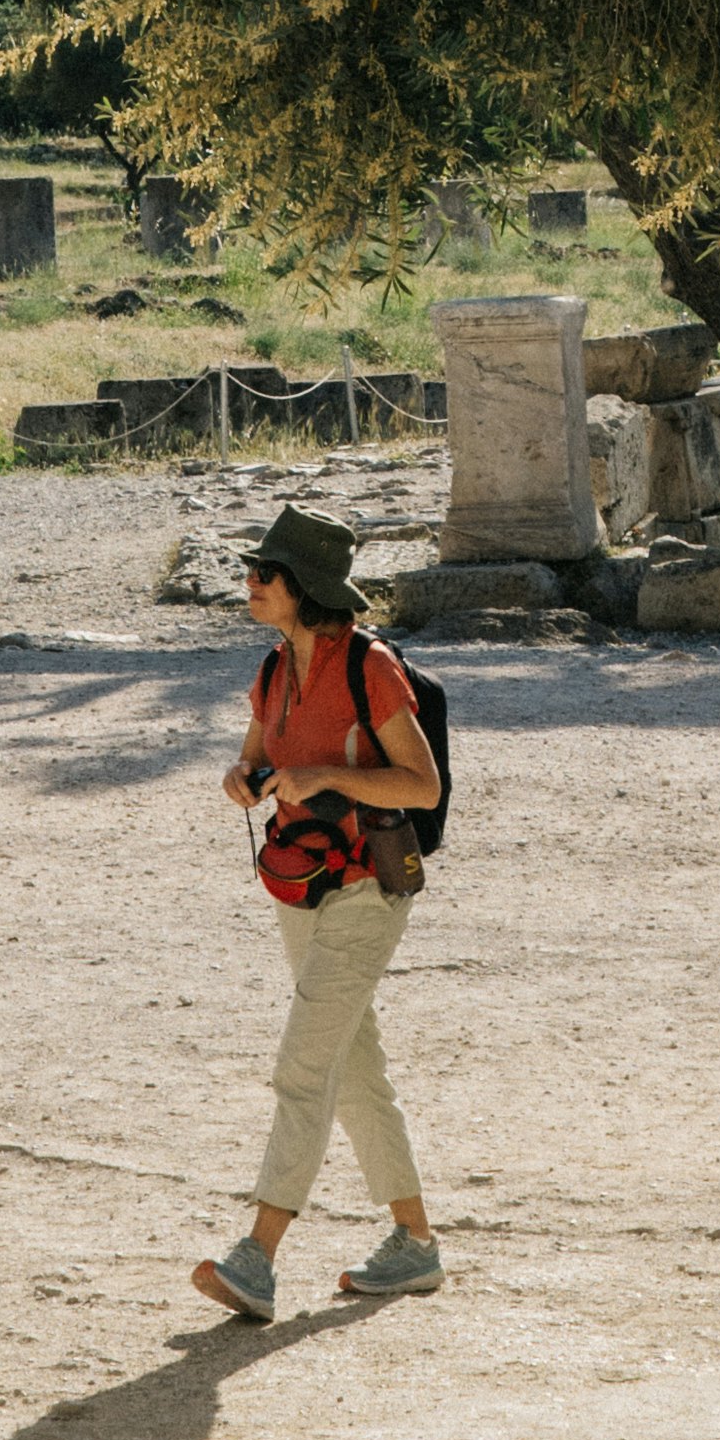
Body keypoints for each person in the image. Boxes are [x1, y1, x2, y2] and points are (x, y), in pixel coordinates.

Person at [189, 503, 444, 1319]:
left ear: (304, 587)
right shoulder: (273, 669)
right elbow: (258, 758)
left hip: (369, 886)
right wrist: (241, 777)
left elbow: (421, 785)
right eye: (252, 571)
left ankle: (256, 1257)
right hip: (300, 888)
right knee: (355, 1069)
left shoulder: (370, 668)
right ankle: (415, 1245)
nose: (250, 583)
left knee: (304, 1067)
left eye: (264, 574)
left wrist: (328, 781)